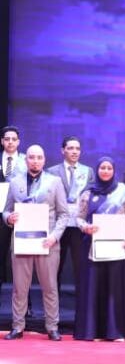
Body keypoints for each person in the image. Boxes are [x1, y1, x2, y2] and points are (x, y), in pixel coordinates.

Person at [3, 145, 68, 341]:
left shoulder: (54, 182)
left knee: (50, 287)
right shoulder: (15, 182)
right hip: (22, 241)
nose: (35, 161)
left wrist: (55, 237)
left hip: (47, 243)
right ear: (26, 160)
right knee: (19, 288)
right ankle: (17, 327)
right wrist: (9, 218)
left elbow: (63, 214)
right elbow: (6, 210)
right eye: (31, 157)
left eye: (39, 157)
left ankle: (52, 327)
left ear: (44, 160)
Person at [74, 157, 125, 341]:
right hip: (93, 248)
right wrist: (85, 227)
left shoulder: (123, 192)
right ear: (97, 170)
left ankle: (116, 331)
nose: (105, 171)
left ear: (113, 170)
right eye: (102, 167)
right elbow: (78, 217)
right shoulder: (88, 193)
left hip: (118, 247)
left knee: (115, 289)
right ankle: (94, 331)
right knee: (95, 288)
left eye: (109, 168)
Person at [46, 136, 95, 298]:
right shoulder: (52, 171)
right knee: (56, 266)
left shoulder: (88, 172)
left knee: (80, 266)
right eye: (70, 148)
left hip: (79, 226)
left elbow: (91, 198)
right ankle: (53, 302)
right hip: (58, 225)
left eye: (77, 149)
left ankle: (83, 304)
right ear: (63, 150)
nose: (74, 152)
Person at [0, 126, 25, 303]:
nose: (10, 142)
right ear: (2, 141)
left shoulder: (26, 160)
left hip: (20, 213)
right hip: (0, 213)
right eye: (7, 139)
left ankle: (26, 305)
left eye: (13, 139)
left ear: (18, 142)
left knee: (24, 260)